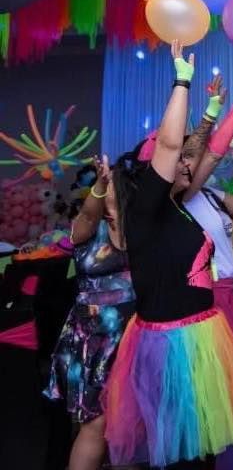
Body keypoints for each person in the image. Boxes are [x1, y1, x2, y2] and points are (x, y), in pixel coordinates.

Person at [103, 42, 233, 469]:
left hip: (202, 335)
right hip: (172, 345)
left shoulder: (177, 204)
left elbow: (209, 152)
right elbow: (171, 147)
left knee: (201, 447)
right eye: (179, 161)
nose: (188, 164)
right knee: (180, 450)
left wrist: (230, 108)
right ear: (156, 172)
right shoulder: (146, 209)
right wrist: (182, 81)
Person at [45, 154, 135, 470]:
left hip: (133, 335)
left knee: (130, 424)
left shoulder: (139, 228)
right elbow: (87, 212)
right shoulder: (89, 226)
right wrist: (100, 183)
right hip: (95, 338)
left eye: (113, 183)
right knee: (95, 423)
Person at [182, 69, 233, 364]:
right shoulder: (180, 199)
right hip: (207, 295)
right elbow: (213, 152)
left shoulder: (210, 194)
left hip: (228, 292)